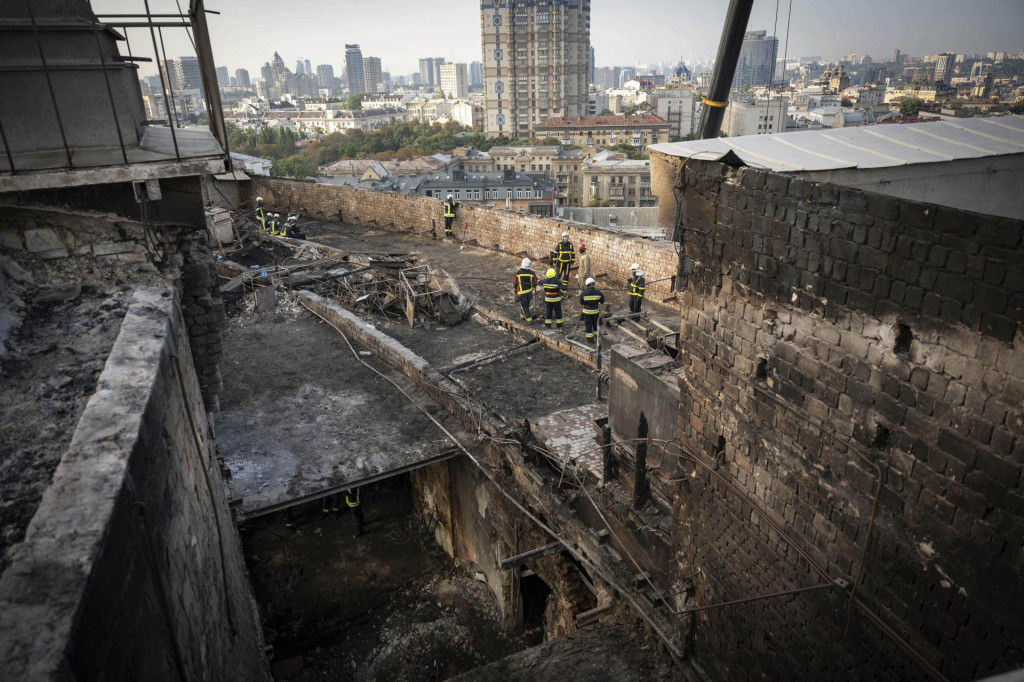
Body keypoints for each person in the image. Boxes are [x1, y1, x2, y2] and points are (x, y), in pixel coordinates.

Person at [579, 277, 605, 345]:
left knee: (588, 325)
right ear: (593, 284)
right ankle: (597, 336)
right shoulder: (598, 293)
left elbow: (581, 302)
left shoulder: (583, 293)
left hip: (587, 313)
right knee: (595, 325)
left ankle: (590, 340)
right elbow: (602, 301)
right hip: (595, 312)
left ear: (587, 285)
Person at [514, 257, 537, 322]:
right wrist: (532, 289)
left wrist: (515, 291)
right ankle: (522, 315)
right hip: (529, 293)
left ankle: (529, 319)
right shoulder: (532, 273)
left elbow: (515, 283)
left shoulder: (517, 272)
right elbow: (535, 283)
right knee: (525, 305)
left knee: (525, 306)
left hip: (521, 293)